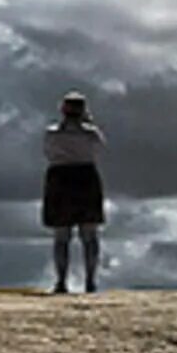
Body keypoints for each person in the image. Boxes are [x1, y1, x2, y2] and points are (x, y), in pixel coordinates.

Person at [42, 91, 107, 294]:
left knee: (61, 235)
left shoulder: (52, 133)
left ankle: (61, 281)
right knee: (89, 234)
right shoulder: (91, 134)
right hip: (85, 176)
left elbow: (48, 153)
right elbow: (98, 151)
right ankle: (90, 281)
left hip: (60, 176)